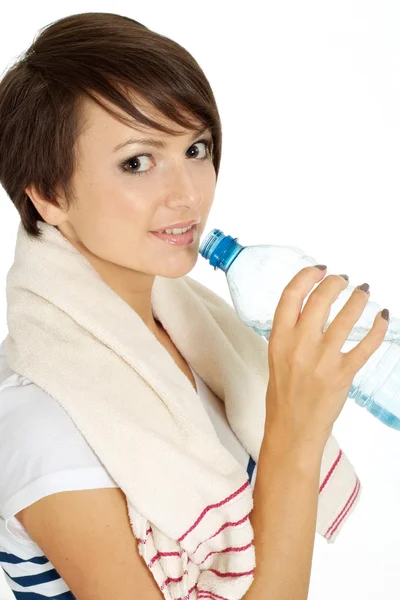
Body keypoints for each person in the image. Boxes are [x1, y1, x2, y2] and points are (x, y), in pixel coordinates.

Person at [0, 11, 389, 600]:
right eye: (137, 161)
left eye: (197, 148)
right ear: (50, 196)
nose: (188, 194)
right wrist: (294, 432)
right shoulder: (44, 418)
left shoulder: (193, 334)